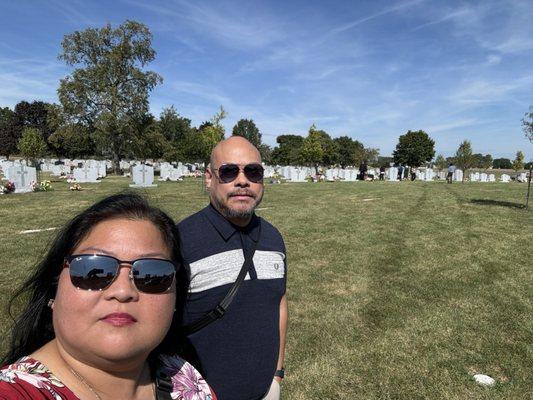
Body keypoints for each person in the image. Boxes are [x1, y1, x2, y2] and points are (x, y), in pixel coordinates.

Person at [0, 193, 216, 400]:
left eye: (153, 275)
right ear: (54, 290)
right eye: (93, 271)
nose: (122, 292)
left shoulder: (185, 379)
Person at [178, 137, 287, 400]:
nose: (242, 180)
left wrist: (277, 374)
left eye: (253, 171)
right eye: (228, 171)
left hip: (266, 390)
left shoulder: (273, 238)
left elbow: (279, 303)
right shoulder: (181, 240)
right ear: (208, 178)